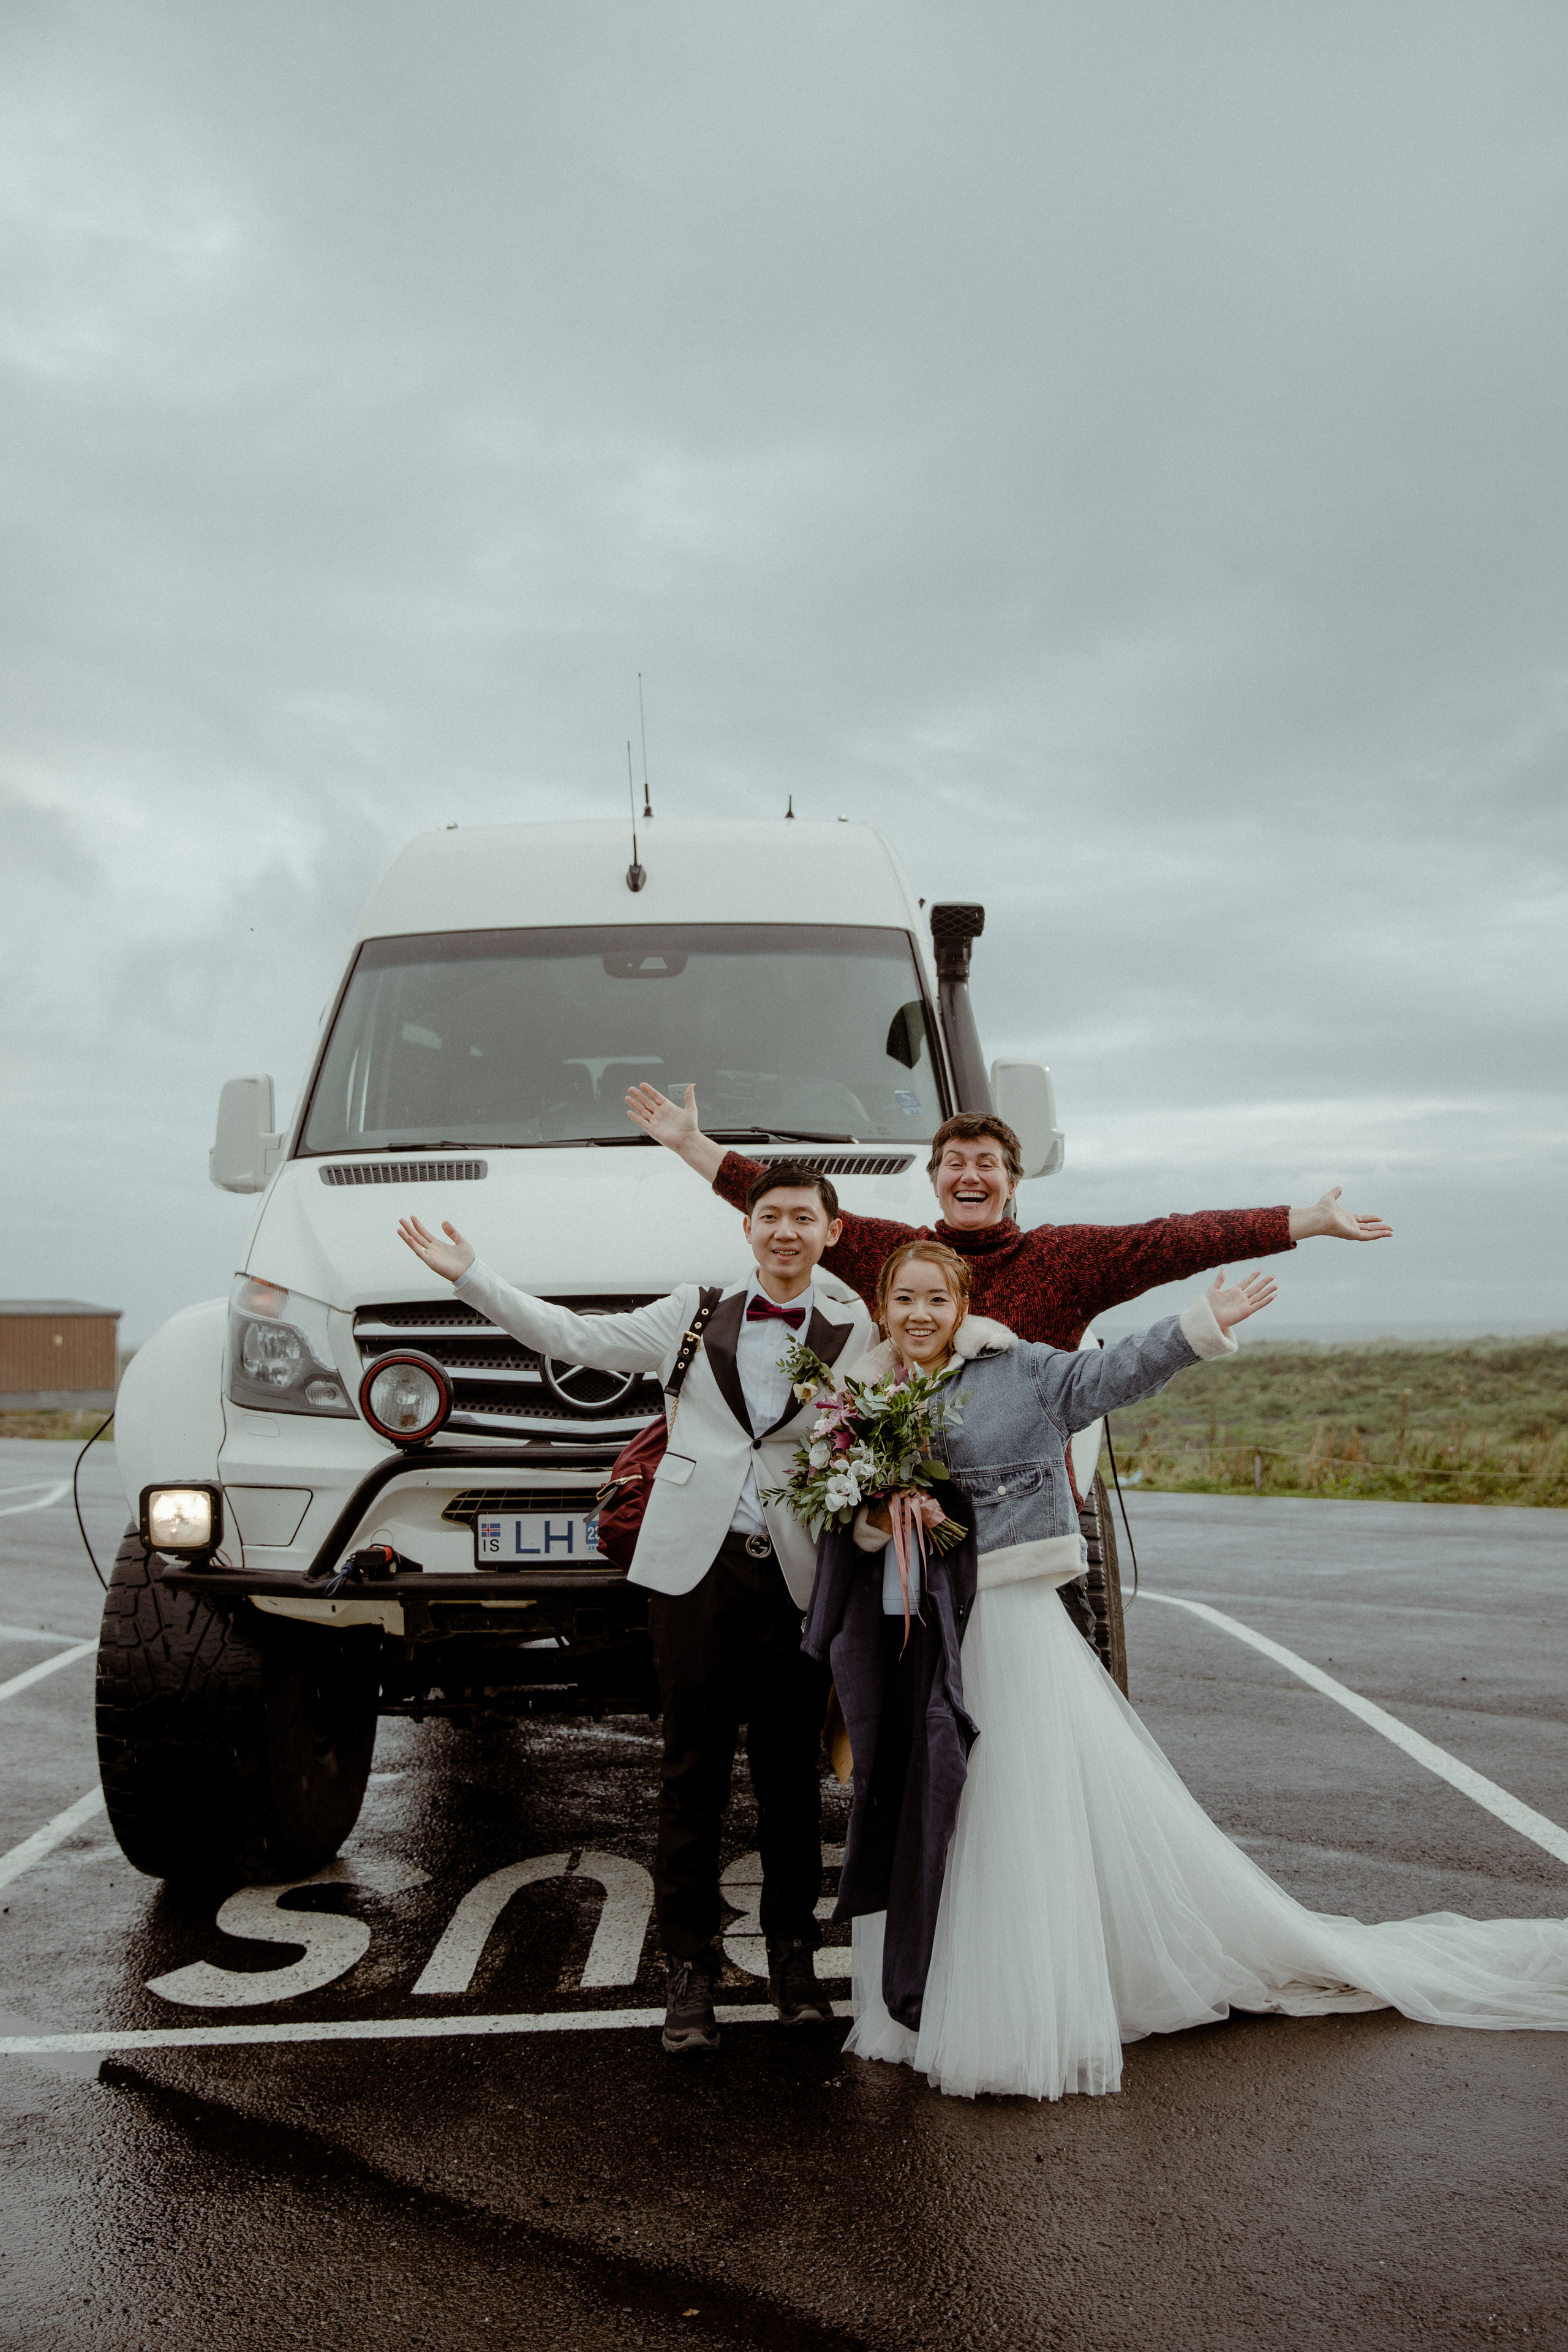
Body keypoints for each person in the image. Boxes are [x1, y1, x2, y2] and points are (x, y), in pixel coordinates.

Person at [801, 1240, 1568, 2102]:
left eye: (936, 1299)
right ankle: (919, 1998)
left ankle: (1010, 2013)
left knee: (1007, 1810)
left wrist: (1201, 1326)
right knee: (919, 1809)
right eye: (904, 1299)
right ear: (881, 1304)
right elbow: (846, 1525)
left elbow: (1114, 1374)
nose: (919, 1316)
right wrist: (878, 1509)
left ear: (963, 1303)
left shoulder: (1020, 1369)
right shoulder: (858, 1394)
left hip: (1006, 1627)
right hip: (913, 1637)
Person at [396, 1163, 871, 2059]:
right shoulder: (696, 1312)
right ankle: (688, 1970)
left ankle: (795, 1960)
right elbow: (574, 1337)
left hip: (800, 1578)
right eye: (769, 1217)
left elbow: (920, 1374)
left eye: (802, 1218)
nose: (784, 1232)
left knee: (788, 1781)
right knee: (691, 1773)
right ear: (748, 1229)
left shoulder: (860, 1326)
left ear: (832, 1231)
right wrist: (470, 1276)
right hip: (693, 1571)